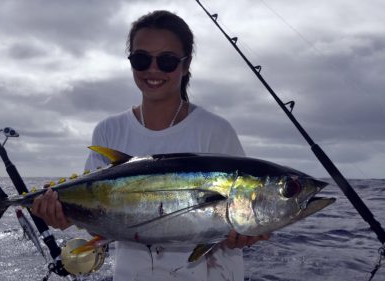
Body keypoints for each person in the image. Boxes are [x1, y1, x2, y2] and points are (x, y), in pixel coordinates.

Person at [32, 10, 269, 281]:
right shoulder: (109, 131)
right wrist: (63, 215)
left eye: (167, 61)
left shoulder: (216, 131)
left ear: (186, 63)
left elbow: (238, 218)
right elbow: (102, 220)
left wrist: (242, 234)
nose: (153, 70)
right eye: (141, 59)